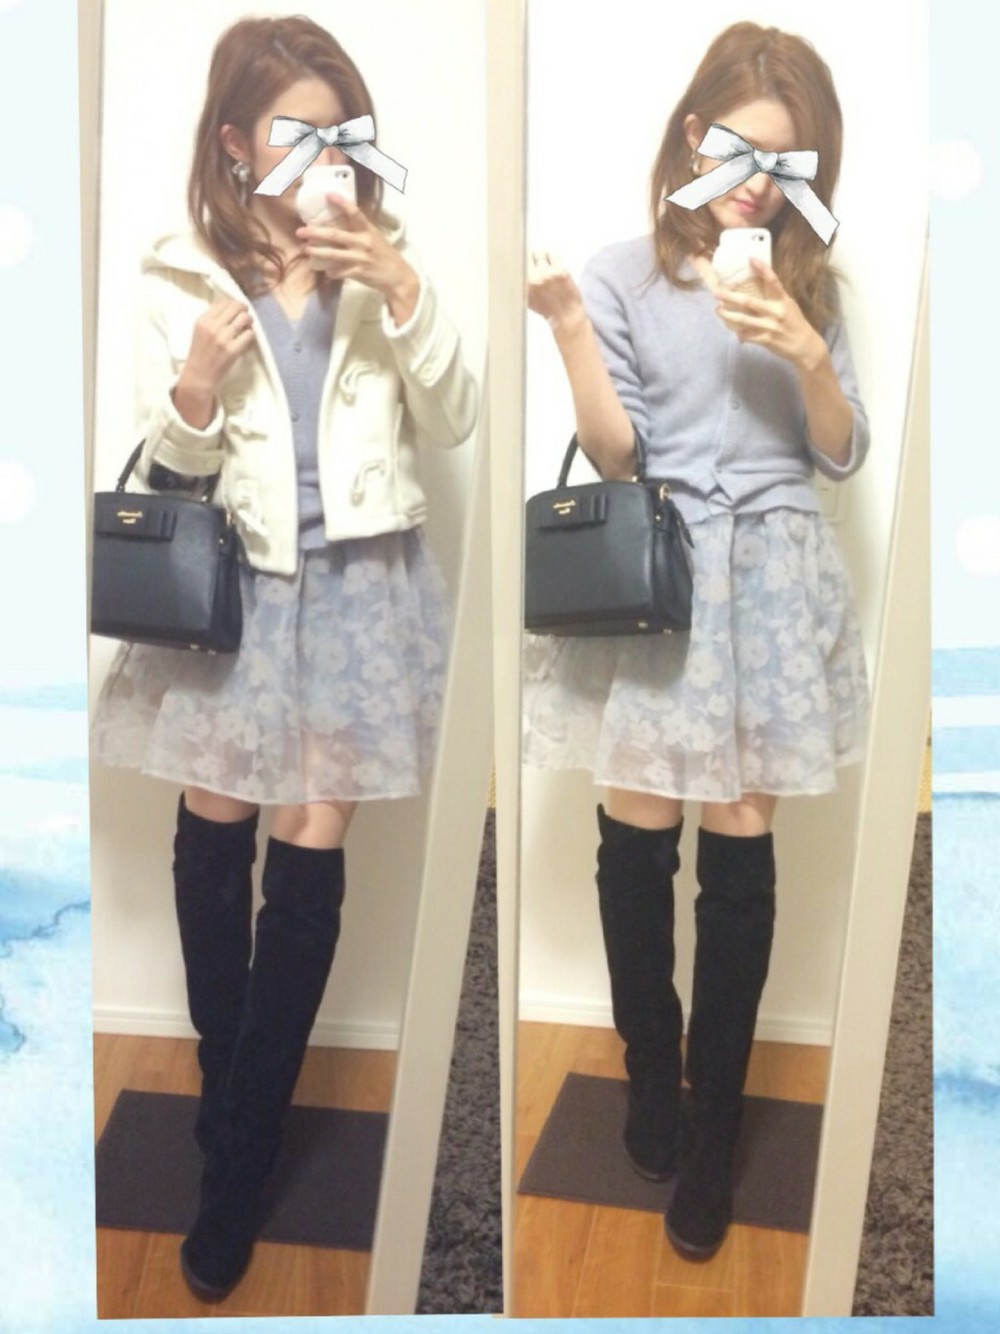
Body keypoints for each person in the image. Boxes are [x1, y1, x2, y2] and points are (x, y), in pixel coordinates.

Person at [90, 15, 477, 1302]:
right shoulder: (178, 272)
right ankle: (227, 1085)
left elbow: (458, 417)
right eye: (294, 131)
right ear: (236, 144)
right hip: (235, 595)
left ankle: (240, 1153)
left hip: (362, 593)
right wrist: (196, 388)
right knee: (214, 840)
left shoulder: (383, 267)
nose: (321, 154)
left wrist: (403, 287)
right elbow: (173, 466)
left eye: (339, 133)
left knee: (309, 859)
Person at [525, 21, 869, 1261]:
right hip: (661, 581)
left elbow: (841, 452)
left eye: (786, 163)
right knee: (635, 839)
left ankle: (713, 1124)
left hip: (772, 583)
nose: (757, 183)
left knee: (740, 845)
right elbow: (619, 455)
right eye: (738, 151)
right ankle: (650, 1074)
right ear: (690, 135)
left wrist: (806, 351)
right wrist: (571, 326)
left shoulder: (810, 284)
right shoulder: (623, 272)